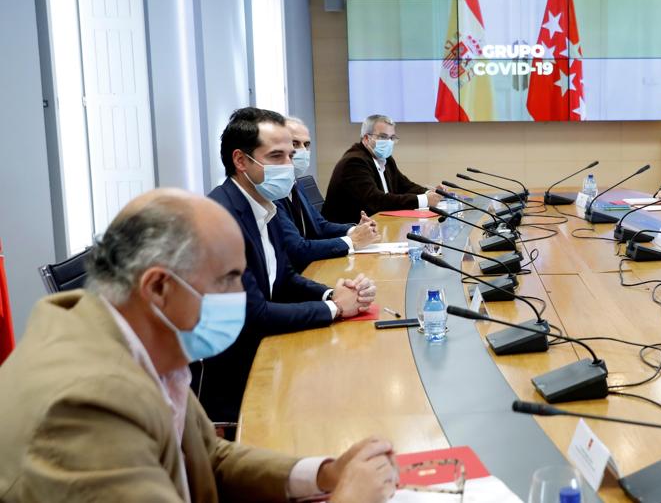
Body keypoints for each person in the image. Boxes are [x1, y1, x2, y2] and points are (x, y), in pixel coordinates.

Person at [0, 188, 397, 502]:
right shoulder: (87, 404)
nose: (240, 296)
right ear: (158, 287)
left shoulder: (143, 344)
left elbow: (206, 456)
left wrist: (325, 474)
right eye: (228, 280)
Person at [199, 107, 376, 423]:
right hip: (240, 374)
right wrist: (335, 309)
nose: (289, 165)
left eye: (290, 155)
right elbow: (254, 315)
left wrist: (331, 293)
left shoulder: (262, 206)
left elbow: (285, 278)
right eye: (277, 156)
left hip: (270, 348)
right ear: (241, 161)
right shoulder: (220, 217)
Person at [278, 116, 379, 270]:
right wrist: (352, 240)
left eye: (306, 145)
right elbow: (297, 249)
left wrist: (354, 230)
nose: (303, 151)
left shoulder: (295, 183)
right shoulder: (273, 190)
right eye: (295, 144)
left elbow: (320, 225)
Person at [322, 114, 442, 224]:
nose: (389, 142)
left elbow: (404, 185)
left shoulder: (385, 158)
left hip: (378, 223)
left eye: (392, 138)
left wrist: (430, 193)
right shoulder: (354, 162)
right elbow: (376, 201)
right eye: (383, 137)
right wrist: (423, 200)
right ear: (366, 139)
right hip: (349, 230)